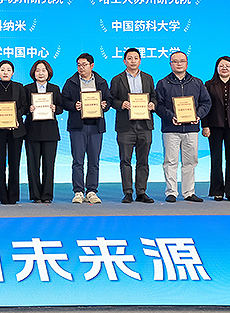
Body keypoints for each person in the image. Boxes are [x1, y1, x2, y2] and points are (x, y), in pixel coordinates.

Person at [155, 51, 212, 202]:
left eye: (182, 61)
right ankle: (171, 192)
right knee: (170, 162)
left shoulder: (197, 82)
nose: (179, 64)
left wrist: (198, 115)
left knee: (190, 161)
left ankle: (189, 192)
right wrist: (170, 116)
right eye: (175, 61)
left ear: (187, 63)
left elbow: (206, 102)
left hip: (191, 129)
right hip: (170, 129)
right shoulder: (163, 83)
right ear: (170, 64)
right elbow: (158, 105)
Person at [61, 53, 112, 204]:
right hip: (78, 126)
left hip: (96, 126)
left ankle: (91, 191)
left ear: (92, 65)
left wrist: (105, 105)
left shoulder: (101, 82)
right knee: (78, 160)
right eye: (78, 65)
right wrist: (74, 105)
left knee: (94, 161)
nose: (81, 68)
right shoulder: (71, 82)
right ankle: (78, 191)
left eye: (84, 65)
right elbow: (63, 101)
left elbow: (108, 99)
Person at [109, 48, 157, 204]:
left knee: (143, 160)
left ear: (140, 60)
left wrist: (153, 104)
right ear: (124, 61)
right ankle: (128, 192)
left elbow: (154, 97)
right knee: (125, 160)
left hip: (145, 125)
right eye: (129, 58)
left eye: (136, 58)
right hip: (125, 126)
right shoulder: (117, 79)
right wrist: (121, 104)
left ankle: (141, 192)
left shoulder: (148, 78)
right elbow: (111, 100)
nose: (133, 61)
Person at [203, 56, 230, 202]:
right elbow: (205, 106)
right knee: (216, 159)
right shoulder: (209, 85)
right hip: (214, 127)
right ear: (216, 68)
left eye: (228, 66)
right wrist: (205, 126)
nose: (224, 68)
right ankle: (217, 191)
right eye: (221, 65)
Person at [0, 60, 27, 204]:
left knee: (14, 164)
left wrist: (15, 116)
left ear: (13, 73)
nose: (5, 72)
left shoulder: (19, 87)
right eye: (2, 70)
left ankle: (13, 196)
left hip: (15, 131)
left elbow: (24, 106)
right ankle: (2, 196)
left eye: (8, 70)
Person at [24, 60, 62, 203]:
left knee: (48, 165)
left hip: (50, 131)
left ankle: (47, 195)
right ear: (33, 73)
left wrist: (55, 108)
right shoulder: (27, 89)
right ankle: (35, 195)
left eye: (43, 70)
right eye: (38, 70)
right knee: (33, 165)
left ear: (48, 72)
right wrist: (28, 109)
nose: (41, 73)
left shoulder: (55, 89)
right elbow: (22, 107)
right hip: (32, 131)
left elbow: (61, 108)